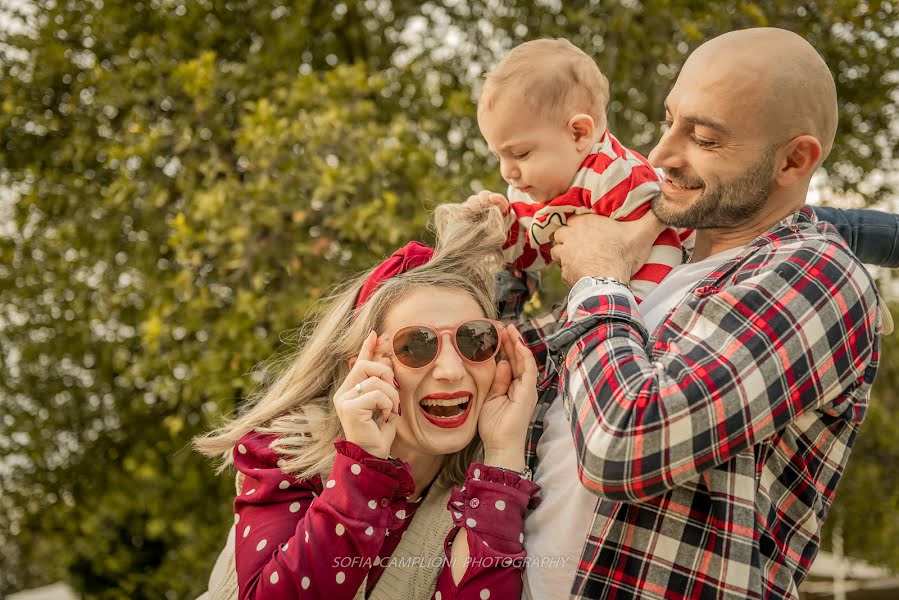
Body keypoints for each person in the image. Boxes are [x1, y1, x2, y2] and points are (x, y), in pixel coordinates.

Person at [468, 28, 890, 599]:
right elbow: (517, 387)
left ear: (794, 160)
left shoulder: (818, 275)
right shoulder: (660, 257)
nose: (661, 153)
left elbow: (624, 444)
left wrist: (599, 276)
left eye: (705, 139)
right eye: (669, 120)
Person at [194, 204, 540, 599]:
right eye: (416, 344)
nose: (450, 370)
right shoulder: (287, 452)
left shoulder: (488, 485)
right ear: (363, 368)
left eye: (473, 339)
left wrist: (502, 452)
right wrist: (363, 464)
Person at [477, 38, 683, 301]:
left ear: (578, 134)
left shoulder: (616, 177)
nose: (507, 172)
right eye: (499, 156)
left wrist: (633, 306)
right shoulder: (533, 189)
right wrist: (501, 229)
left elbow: (664, 245)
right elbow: (533, 255)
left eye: (520, 154)